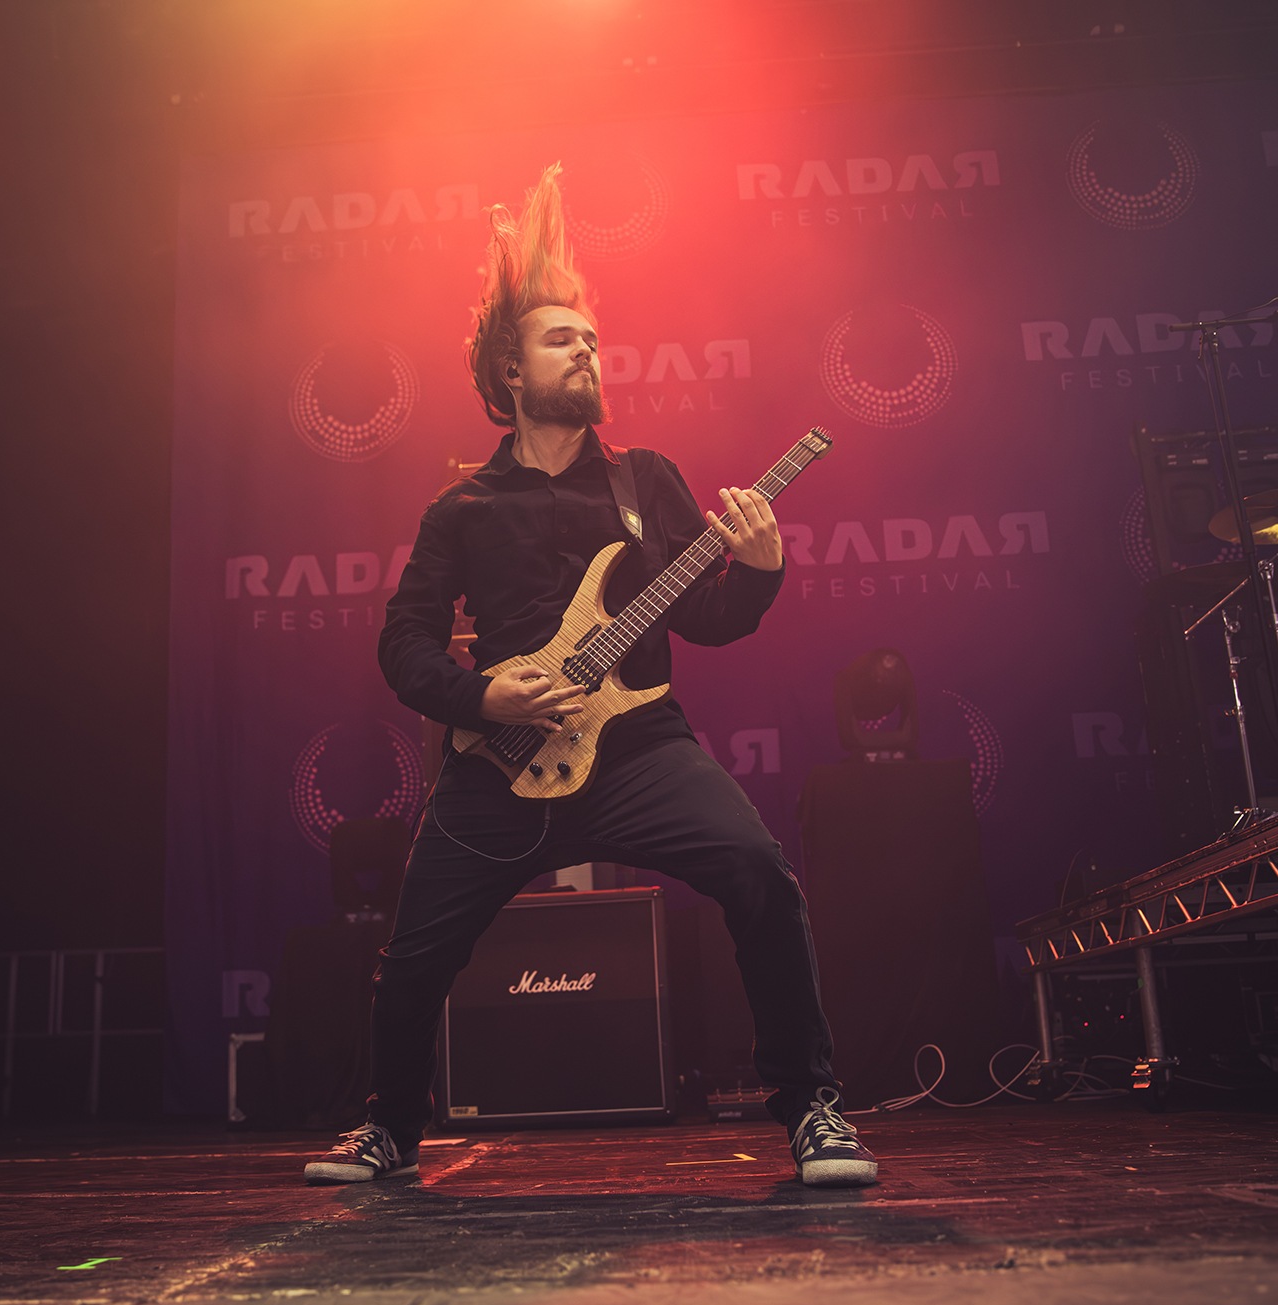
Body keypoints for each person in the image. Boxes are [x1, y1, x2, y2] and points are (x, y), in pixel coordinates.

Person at [303, 164, 875, 1189]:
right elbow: (404, 644)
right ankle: (388, 1127)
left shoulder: (643, 480)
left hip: (640, 747)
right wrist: (483, 696)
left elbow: (706, 620)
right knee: (416, 953)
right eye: (561, 339)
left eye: (593, 340)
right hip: (500, 761)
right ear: (510, 371)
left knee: (757, 871)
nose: (586, 351)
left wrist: (758, 569)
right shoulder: (462, 509)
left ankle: (813, 1108)